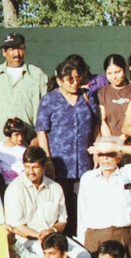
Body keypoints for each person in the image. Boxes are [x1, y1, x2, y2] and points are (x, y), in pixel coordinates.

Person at [35, 55, 99, 232]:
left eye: (77, 78)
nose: (74, 83)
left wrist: (96, 151)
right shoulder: (49, 100)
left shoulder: (87, 96)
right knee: (61, 207)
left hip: (83, 162)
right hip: (59, 164)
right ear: (59, 80)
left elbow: (96, 124)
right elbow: (41, 131)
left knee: (82, 205)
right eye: (70, 80)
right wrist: (48, 159)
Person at [78, 138, 131, 258]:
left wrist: (116, 147)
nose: (106, 158)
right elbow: (82, 214)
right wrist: (83, 243)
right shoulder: (87, 178)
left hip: (123, 237)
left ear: (119, 157)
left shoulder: (130, 174)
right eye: (101, 154)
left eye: (110, 154)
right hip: (95, 238)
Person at [0, 33, 47, 145]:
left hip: (29, 143)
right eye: (12, 49)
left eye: (20, 49)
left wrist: (38, 138)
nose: (17, 53)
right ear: (4, 52)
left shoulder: (37, 75)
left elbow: (46, 110)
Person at [97, 54, 131, 139]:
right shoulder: (102, 92)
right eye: (109, 73)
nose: (114, 77)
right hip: (111, 142)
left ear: (125, 70)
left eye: (117, 72)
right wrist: (111, 140)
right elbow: (102, 120)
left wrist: (123, 137)